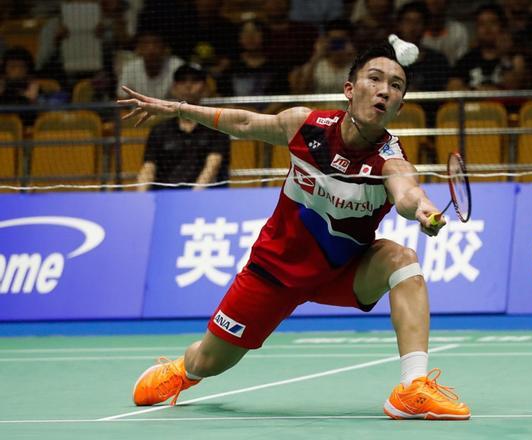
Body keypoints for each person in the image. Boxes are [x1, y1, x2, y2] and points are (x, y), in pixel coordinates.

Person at [119, 41, 471, 420]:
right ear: (349, 90)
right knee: (210, 360)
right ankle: (183, 371)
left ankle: (412, 388)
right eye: (375, 79)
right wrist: (179, 108)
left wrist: (423, 208)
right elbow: (246, 124)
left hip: (342, 272)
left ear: (400, 107)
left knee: (403, 261)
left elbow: (407, 194)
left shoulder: (391, 162)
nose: (385, 90)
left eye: (396, 86)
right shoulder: (306, 126)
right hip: (273, 271)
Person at [136, 64, 230, 191]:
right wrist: (140, 198)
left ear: (206, 89)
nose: (188, 85)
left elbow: (212, 167)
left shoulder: (217, 128)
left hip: (205, 198)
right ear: (174, 88)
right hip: (166, 197)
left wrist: (192, 198)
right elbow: (148, 167)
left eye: (195, 81)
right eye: (182, 80)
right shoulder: (160, 130)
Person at [448, 3, 531, 91]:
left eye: (493, 22)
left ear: (502, 27)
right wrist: (478, 91)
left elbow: (513, 87)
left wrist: (505, 57)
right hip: (476, 104)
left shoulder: (515, 59)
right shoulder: (467, 59)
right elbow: (452, 87)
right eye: (482, 24)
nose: (487, 28)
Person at [289, 20, 357, 94]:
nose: (337, 45)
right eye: (334, 41)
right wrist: (317, 56)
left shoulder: (357, 66)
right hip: (319, 105)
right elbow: (301, 91)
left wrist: (353, 55)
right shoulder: (317, 65)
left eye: (341, 41)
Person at [116, 28, 184, 99]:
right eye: (146, 43)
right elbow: (121, 99)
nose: (151, 48)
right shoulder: (130, 68)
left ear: (165, 47)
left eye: (156, 43)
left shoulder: (177, 66)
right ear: (138, 48)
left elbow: (186, 98)